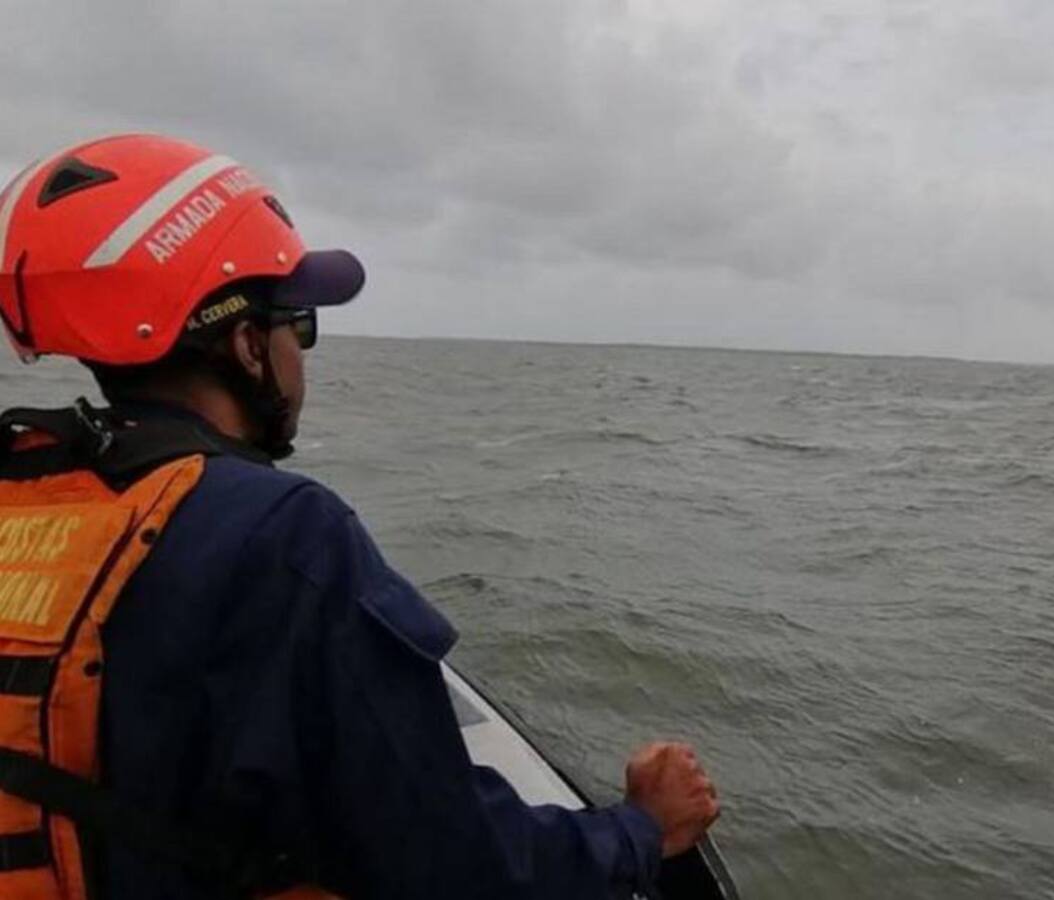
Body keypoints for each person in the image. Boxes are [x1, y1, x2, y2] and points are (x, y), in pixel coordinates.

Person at [0, 134, 719, 899]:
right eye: (299, 323)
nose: (302, 353)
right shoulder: (285, 534)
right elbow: (453, 861)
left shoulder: (25, 490)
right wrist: (641, 829)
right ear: (247, 346)